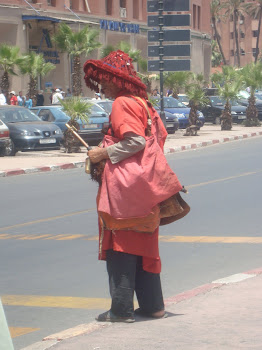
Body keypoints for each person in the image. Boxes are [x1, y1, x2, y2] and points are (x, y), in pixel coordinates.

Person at [83, 50, 184, 323]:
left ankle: (121, 309)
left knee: (120, 243)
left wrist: (101, 154)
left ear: (119, 80)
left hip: (126, 187)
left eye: (106, 79)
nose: (102, 85)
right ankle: (153, 306)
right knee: (144, 243)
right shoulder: (145, 104)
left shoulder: (122, 104)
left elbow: (135, 142)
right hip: (147, 185)